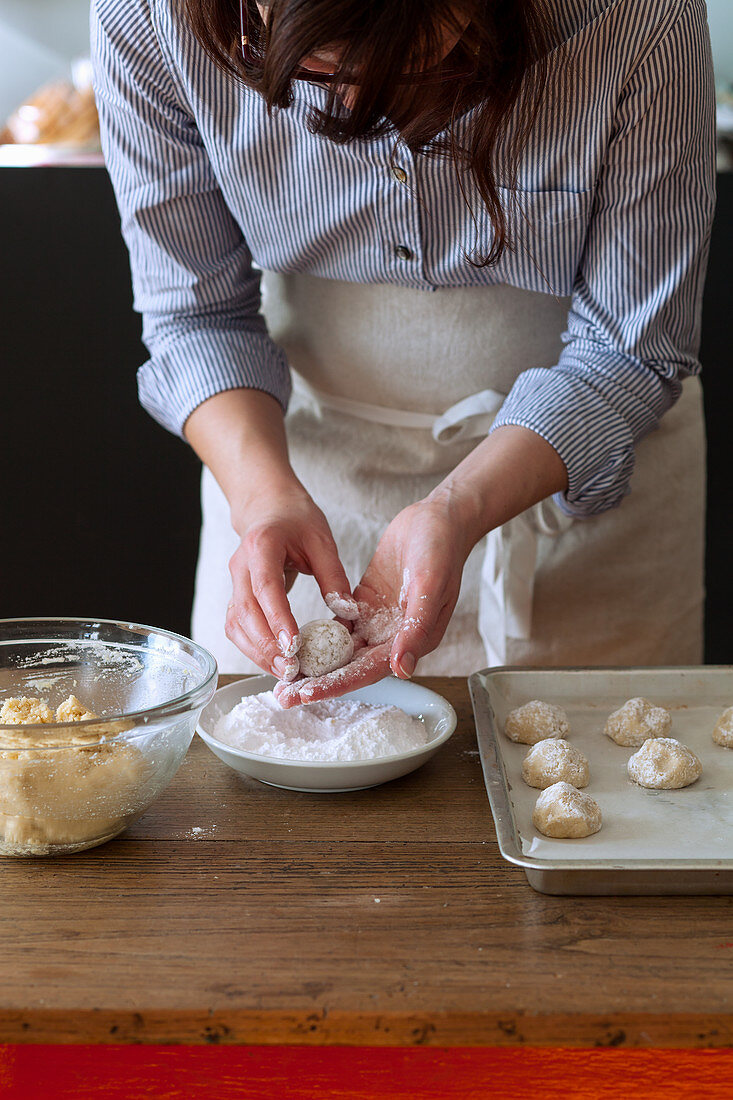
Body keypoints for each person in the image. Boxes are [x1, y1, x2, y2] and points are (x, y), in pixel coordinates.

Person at [91, 0, 715, 706]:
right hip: (305, 473)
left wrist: (458, 506)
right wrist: (262, 499)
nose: (357, 107)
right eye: (316, 73)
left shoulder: (632, 16)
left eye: (418, 65)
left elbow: (630, 347)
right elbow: (197, 318)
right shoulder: (149, 16)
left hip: (583, 495)